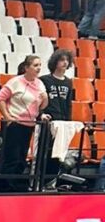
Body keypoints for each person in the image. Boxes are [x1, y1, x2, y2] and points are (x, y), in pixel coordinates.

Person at [0, 54, 49, 188]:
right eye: (35, 65)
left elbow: (42, 106)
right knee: (12, 158)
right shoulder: (16, 81)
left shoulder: (40, 83)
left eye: (40, 65)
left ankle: (14, 186)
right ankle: (5, 187)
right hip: (14, 124)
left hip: (29, 125)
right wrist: (7, 116)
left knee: (21, 158)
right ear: (26, 67)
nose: (38, 68)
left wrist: (45, 98)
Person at [40, 48, 74, 178]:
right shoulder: (45, 79)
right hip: (48, 121)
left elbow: (68, 103)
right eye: (62, 60)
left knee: (58, 153)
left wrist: (68, 121)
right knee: (45, 151)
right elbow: (39, 100)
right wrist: (41, 113)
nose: (65, 63)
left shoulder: (68, 82)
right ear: (55, 62)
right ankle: (41, 179)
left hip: (62, 122)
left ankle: (52, 180)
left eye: (67, 60)